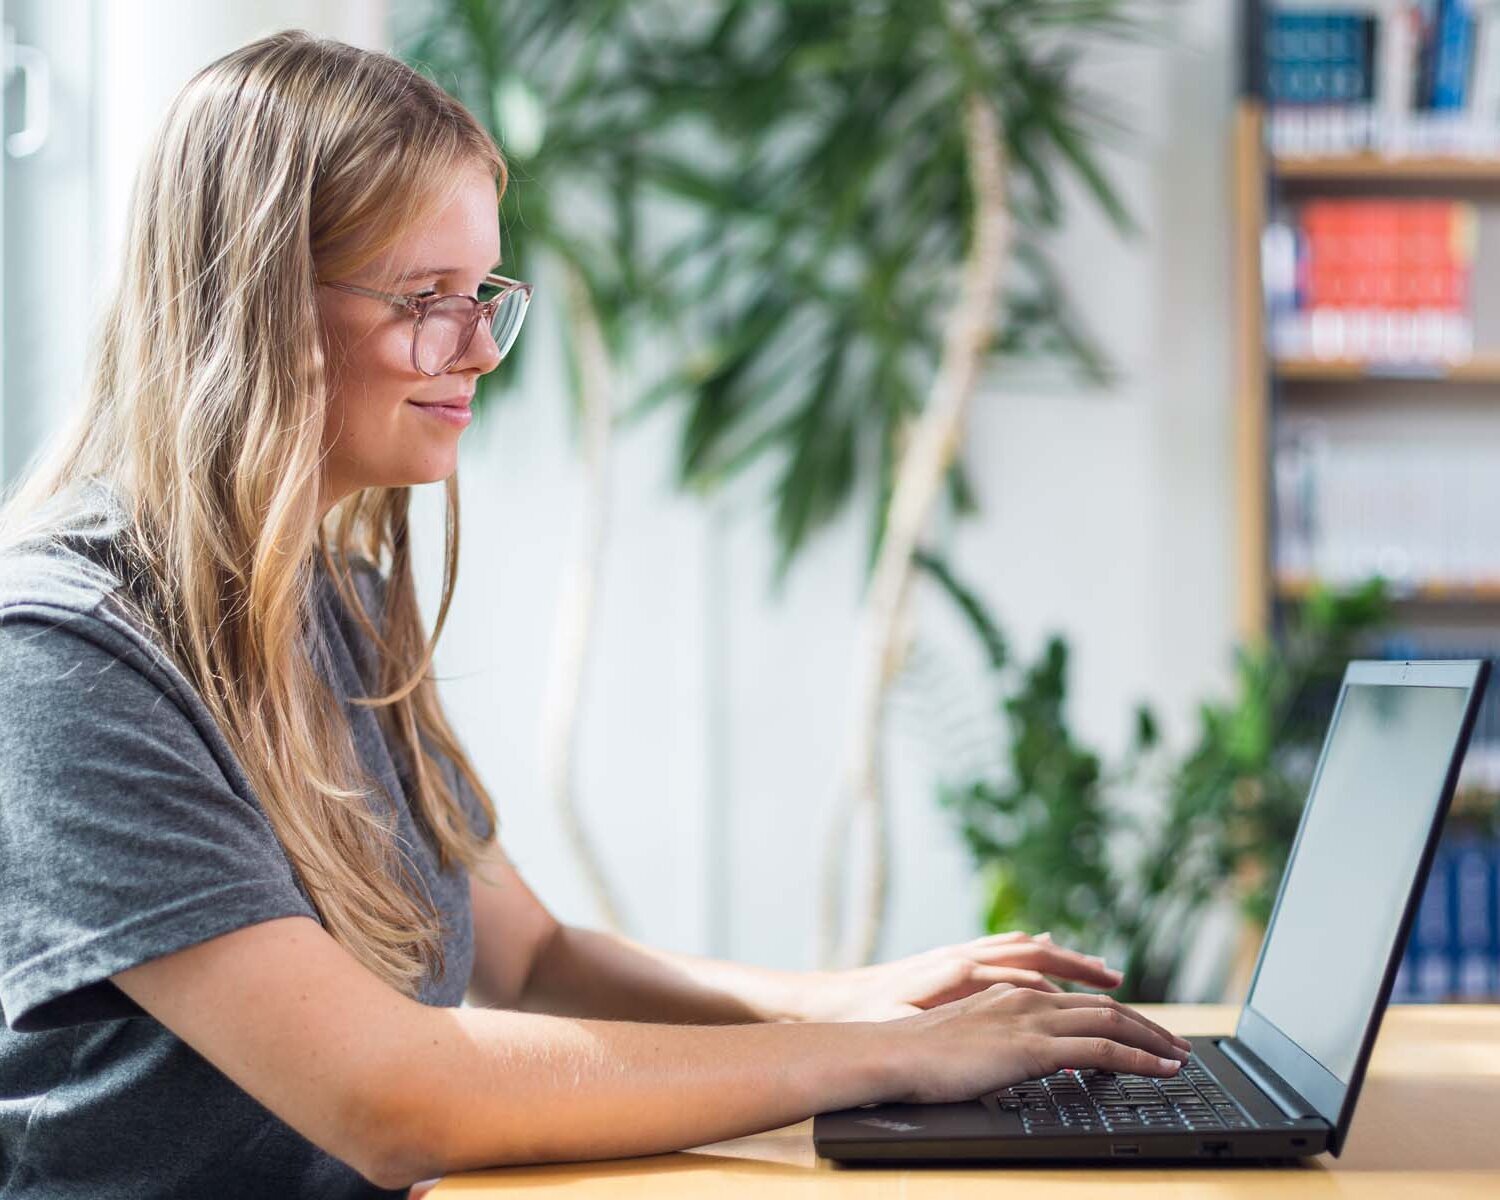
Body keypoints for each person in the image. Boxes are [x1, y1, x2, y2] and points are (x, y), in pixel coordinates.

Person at [0, 31, 1192, 1200]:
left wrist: (868, 998)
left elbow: (529, 955)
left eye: (484, 296)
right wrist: (883, 1059)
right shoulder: (64, 658)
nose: (478, 350)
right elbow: (387, 1098)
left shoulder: (337, 598)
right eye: (427, 299)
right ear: (253, 305)